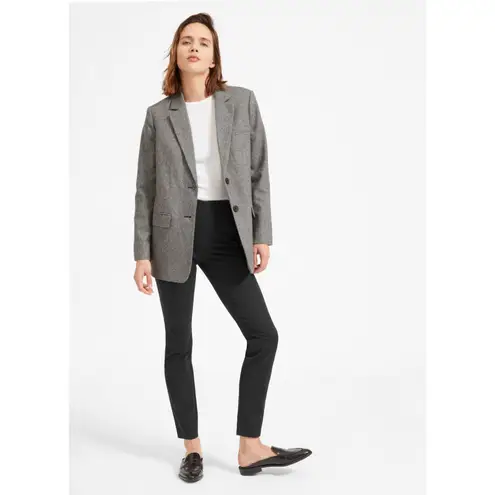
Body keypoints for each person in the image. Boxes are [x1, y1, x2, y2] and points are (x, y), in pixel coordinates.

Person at [133, 12, 312, 482]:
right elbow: (145, 189)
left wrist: (261, 233)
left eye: (203, 42)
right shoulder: (158, 115)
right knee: (179, 344)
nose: (194, 47)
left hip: (226, 233)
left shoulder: (241, 102)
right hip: (173, 237)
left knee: (263, 335)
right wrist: (141, 253)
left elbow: (258, 171)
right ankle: (192, 449)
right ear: (176, 53)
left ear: (214, 56)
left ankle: (250, 446)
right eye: (186, 41)